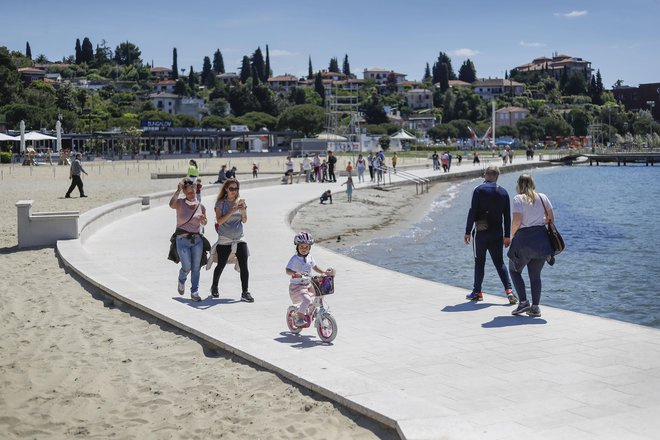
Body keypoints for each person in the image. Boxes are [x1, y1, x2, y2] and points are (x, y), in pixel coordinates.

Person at [463, 165, 517, 305]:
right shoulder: (504, 192)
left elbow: (472, 211)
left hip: (481, 233)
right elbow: (507, 216)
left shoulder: (478, 190)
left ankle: (477, 292)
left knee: (479, 262)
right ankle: (509, 291)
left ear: (486, 175)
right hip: (497, 233)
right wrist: (507, 235)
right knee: (499, 263)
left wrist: (468, 231)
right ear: (497, 176)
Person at [509, 174, 554, 317]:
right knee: (535, 275)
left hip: (524, 239)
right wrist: (539, 222)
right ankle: (535, 308)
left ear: (519, 185)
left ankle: (523, 303)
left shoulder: (518, 199)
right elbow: (551, 219)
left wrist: (513, 235)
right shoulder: (542, 197)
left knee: (514, 270)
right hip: (541, 240)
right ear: (533, 183)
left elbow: (516, 222)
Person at [209, 179, 253, 303]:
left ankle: (245, 292)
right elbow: (220, 221)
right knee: (221, 264)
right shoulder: (220, 204)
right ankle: (214, 286)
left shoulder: (240, 202)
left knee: (244, 264)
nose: (234, 191)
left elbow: (244, 220)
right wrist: (233, 210)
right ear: (226, 189)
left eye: (236, 189)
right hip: (225, 238)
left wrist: (243, 210)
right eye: (232, 189)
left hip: (239, 238)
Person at [169, 178, 208, 302]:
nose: (192, 194)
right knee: (187, 266)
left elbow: (205, 222)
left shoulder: (200, 206)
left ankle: (194, 292)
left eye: (194, 192)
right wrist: (178, 190)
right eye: (189, 192)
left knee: (196, 267)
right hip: (182, 239)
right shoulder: (179, 203)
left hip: (197, 240)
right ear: (185, 192)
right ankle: (182, 279)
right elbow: (171, 205)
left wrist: (203, 220)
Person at [286, 232, 335, 327]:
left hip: (308, 284)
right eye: (301, 247)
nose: (304, 249)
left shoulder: (310, 258)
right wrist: (295, 274)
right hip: (298, 286)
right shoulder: (295, 259)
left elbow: (315, 267)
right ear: (297, 247)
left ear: (309, 248)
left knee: (319, 295)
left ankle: (310, 312)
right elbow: (288, 270)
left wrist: (324, 272)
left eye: (306, 247)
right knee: (307, 300)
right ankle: (299, 317)